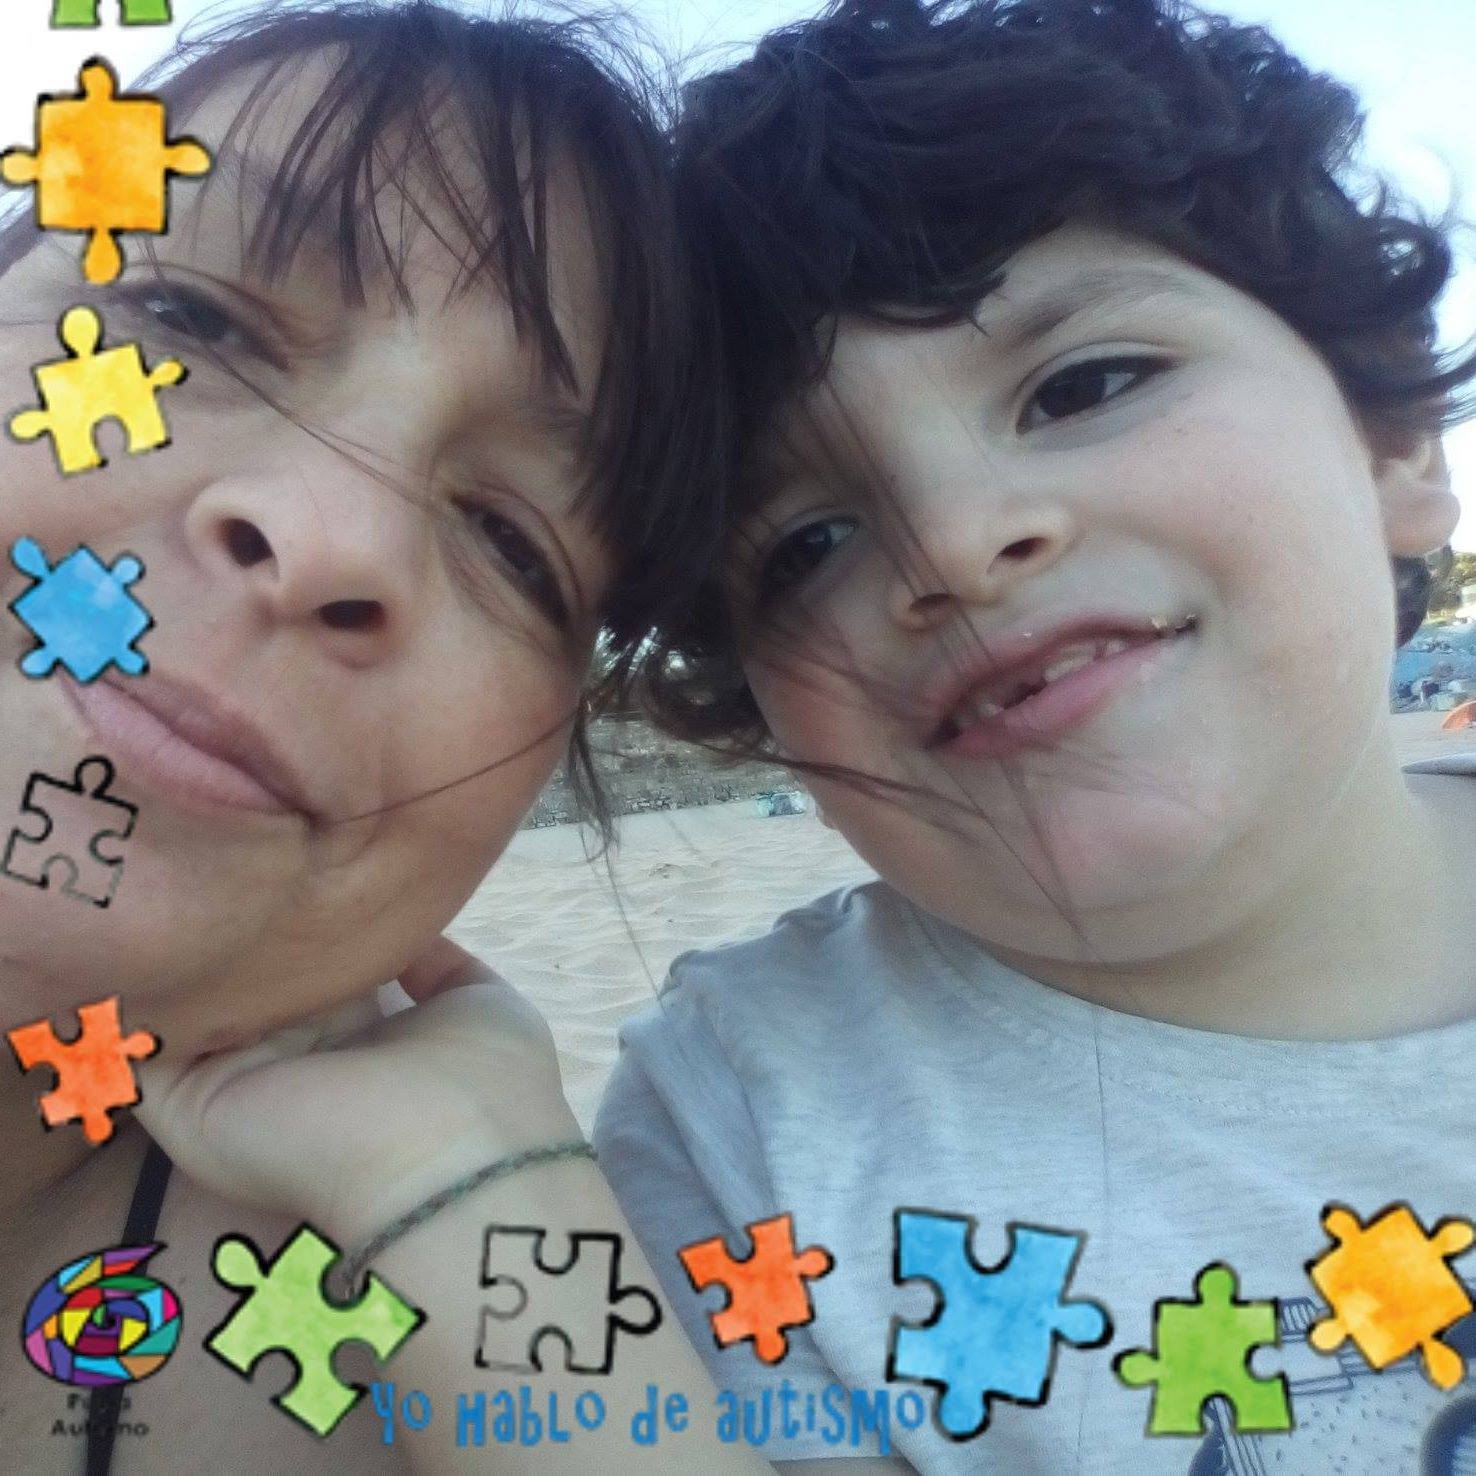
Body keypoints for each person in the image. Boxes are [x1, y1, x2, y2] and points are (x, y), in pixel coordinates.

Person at [595, 0, 1476, 1469]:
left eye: (1087, 384)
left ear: (1393, 446)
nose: (951, 541)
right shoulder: (746, 1126)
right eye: (807, 543)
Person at [0, 5, 778, 1473]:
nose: (331, 537)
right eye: (193, 319)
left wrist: (475, 1181)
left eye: (513, 543)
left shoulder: (403, 1348)